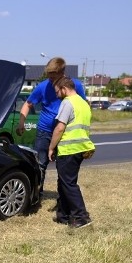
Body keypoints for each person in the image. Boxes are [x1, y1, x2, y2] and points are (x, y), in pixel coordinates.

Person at [16, 57, 87, 196]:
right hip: (44, 132)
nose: (50, 77)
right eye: (48, 74)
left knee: (64, 168)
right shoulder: (43, 86)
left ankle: (64, 199)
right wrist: (21, 122)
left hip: (65, 133)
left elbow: (83, 105)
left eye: (53, 74)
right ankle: (36, 195)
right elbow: (28, 103)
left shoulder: (75, 85)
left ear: (62, 72)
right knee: (39, 164)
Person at [48, 77, 95, 228]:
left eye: (57, 92)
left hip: (69, 149)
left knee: (68, 183)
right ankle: (64, 215)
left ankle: (81, 217)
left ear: (64, 88)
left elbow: (60, 128)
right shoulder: (83, 103)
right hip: (80, 149)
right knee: (63, 182)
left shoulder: (68, 102)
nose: (56, 95)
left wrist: (51, 147)